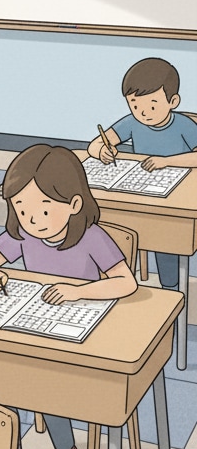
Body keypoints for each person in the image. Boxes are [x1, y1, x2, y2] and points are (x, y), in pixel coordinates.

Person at [0, 144, 138, 449]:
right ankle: (11, 444)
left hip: (83, 333)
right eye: (22, 210)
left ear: (74, 204)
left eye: (44, 210)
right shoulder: (23, 236)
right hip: (35, 327)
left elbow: (127, 282)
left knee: (48, 385)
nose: (33, 221)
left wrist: (78, 292)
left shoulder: (92, 237)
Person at [87, 57, 197, 297]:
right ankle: (119, 282)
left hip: (174, 197)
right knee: (113, 227)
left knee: (167, 237)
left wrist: (167, 161)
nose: (143, 113)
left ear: (173, 101)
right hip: (140, 191)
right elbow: (95, 144)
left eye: (153, 105)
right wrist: (101, 150)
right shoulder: (131, 123)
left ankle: (171, 288)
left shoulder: (184, 125)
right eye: (135, 106)